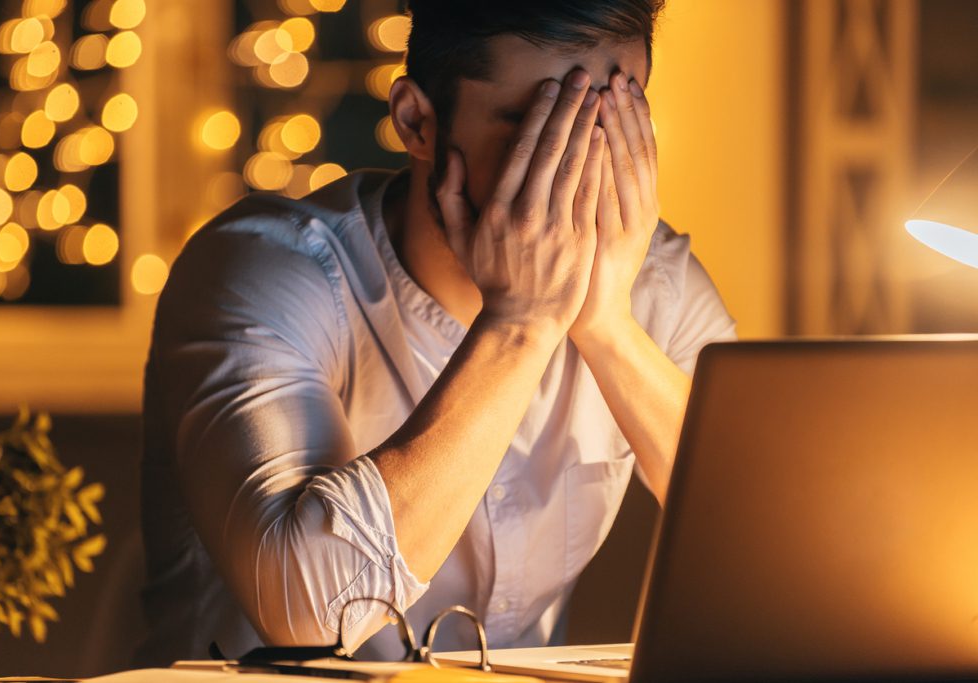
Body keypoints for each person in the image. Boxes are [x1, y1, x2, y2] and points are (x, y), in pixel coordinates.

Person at [137, 0, 736, 666]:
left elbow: (778, 540)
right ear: (416, 120)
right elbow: (306, 613)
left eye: (614, 116)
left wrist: (608, 327)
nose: (579, 167)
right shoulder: (263, 271)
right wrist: (522, 325)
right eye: (539, 126)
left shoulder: (657, 283)